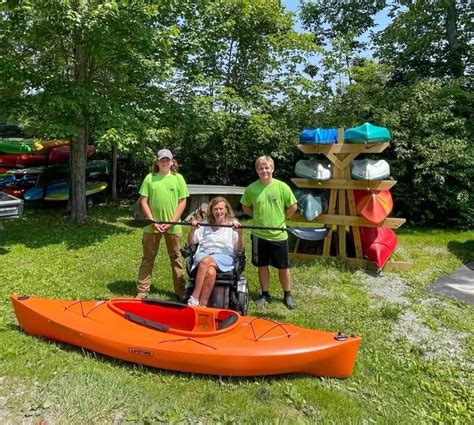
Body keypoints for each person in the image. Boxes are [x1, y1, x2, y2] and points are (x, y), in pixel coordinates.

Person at [240, 155, 298, 309]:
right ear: (257, 170)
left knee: (283, 267)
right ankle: (265, 293)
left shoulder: (282, 187)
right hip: (259, 236)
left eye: (267, 167)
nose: (264, 170)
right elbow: (245, 206)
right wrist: (256, 216)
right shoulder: (252, 188)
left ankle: (287, 294)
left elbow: (293, 206)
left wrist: (282, 218)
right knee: (262, 265)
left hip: (279, 235)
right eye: (261, 168)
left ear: (272, 169)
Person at [136, 148, 189, 300]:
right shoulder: (149, 178)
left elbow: (182, 201)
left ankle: (180, 290)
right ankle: (142, 290)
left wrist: (172, 221)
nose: (165, 162)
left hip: (173, 226)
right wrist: (152, 221)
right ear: (157, 162)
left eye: (167, 159)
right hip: (151, 226)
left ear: (172, 162)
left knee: (176, 258)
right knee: (148, 258)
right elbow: (144, 201)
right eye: (162, 160)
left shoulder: (178, 178)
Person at [187, 196, 243, 307]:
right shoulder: (205, 223)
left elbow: (239, 249)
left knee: (206, 261)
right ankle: (203, 304)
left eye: (221, 209)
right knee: (210, 272)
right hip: (204, 252)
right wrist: (192, 230)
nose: (218, 212)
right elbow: (192, 242)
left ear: (226, 209)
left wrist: (240, 233)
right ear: (212, 211)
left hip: (224, 256)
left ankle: (194, 297)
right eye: (215, 209)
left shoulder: (233, 224)